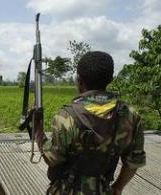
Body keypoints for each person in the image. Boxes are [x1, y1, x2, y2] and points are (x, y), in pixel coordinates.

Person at [37, 51, 146, 195]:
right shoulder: (131, 115)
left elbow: (52, 159)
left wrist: (38, 131)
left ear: (79, 80)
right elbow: (134, 161)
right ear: (110, 79)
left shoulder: (66, 117)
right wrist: (118, 187)